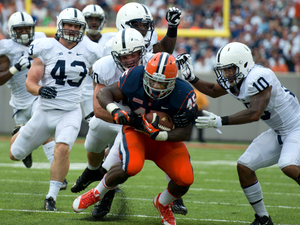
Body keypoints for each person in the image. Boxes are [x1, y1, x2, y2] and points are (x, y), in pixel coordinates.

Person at [71, 2, 188, 216]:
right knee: (95, 134)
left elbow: (163, 55)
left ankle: (107, 197)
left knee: (161, 132)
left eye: (145, 26)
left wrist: (172, 29)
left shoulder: (150, 53)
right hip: (115, 110)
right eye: (137, 25)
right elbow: (99, 105)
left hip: (142, 111)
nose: (143, 30)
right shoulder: (108, 55)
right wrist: (125, 117)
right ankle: (91, 170)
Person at [176, 42, 300, 225]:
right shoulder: (238, 79)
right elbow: (212, 90)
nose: (226, 74)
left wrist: (220, 120)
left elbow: (255, 113)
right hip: (278, 131)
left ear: (243, 64)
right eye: (224, 70)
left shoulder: (259, 77)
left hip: (296, 128)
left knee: (288, 165)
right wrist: (192, 78)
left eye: (230, 69)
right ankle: (263, 219)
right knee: (244, 166)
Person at [72, 52, 197, 225]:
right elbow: (104, 94)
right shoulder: (135, 76)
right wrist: (114, 110)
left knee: (185, 179)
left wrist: (161, 134)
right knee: (131, 167)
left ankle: (162, 203)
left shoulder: (184, 94)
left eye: (161, 83)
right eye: (151, 80)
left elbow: (185, 132)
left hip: (164, 140)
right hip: (136, 131)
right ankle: (96, 193)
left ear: (172, 82)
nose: (154, 85)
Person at [8, 8, 103, 211]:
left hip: (70, 111)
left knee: (63, 148)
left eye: (76, 26)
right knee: (14, 154)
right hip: (44, 110)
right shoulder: (45, 47)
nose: (72, 29)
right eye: (68, 24)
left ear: (82, 28)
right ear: (60, 25)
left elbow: (102, 77)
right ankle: (21, 131)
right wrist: (41, 89)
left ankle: (51, 197)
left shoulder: (92, 50)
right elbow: (30, 83)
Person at [0, 11, 68, 189]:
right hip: (19, 103)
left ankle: (60, 178)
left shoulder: (40, 38)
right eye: (19, 29)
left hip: (37, 96)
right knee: (16, 150)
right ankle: (26, 143)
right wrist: (15, 68)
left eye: (26, 28)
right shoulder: (5, 47)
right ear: (10, 30)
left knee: (44, 131)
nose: (23, 32)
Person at [80, 4, 116, 122]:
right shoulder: (78, 40)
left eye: (97, 19)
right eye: (90, 19)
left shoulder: (112, 39)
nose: (93, 22)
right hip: (83, 90)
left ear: (103, 21)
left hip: (107, 88)